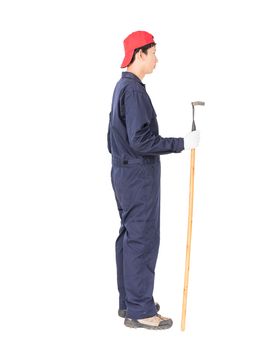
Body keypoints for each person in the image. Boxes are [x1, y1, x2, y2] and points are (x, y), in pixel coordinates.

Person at [107, 31, 200, 330]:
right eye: (153, 52)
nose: (157, 58)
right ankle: (141, 310)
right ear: (139, 54)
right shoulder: (133, 91)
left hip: (124, 172)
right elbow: (141, 140)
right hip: (137, 175)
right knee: (142, 240)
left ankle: (130, 302)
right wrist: (181, 143)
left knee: (130, 237)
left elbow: (115, 138)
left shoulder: (123, 86)